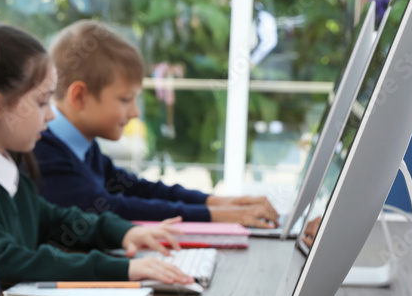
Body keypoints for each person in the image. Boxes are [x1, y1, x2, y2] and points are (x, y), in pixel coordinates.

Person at [0, 23, 194, 286]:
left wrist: (125, 232)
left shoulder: (9, 172)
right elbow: (4, 259)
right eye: (42, 102)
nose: (51, 115)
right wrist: (123, 269)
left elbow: (54, 218)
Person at [33, 19, 280, 228]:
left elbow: (136, 189)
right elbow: (110, 209)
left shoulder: (82, 148)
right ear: (79, 96)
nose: (135, 112)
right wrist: (216, 216)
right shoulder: (44, 155)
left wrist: (215, 202)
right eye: (125, 99)